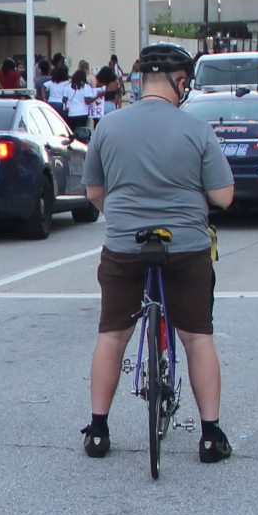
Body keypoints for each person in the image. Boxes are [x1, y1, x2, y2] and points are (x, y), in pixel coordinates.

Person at [78, 41, 235, 463]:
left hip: (125, 245)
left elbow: (94, 191)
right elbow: (223, 196)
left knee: (112, 335)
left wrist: (124, 215)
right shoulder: (197, 129)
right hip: (185, 246)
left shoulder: (108, 127)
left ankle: (97, 429)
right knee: (197, 337)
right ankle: (210, 435)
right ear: (178, 82)